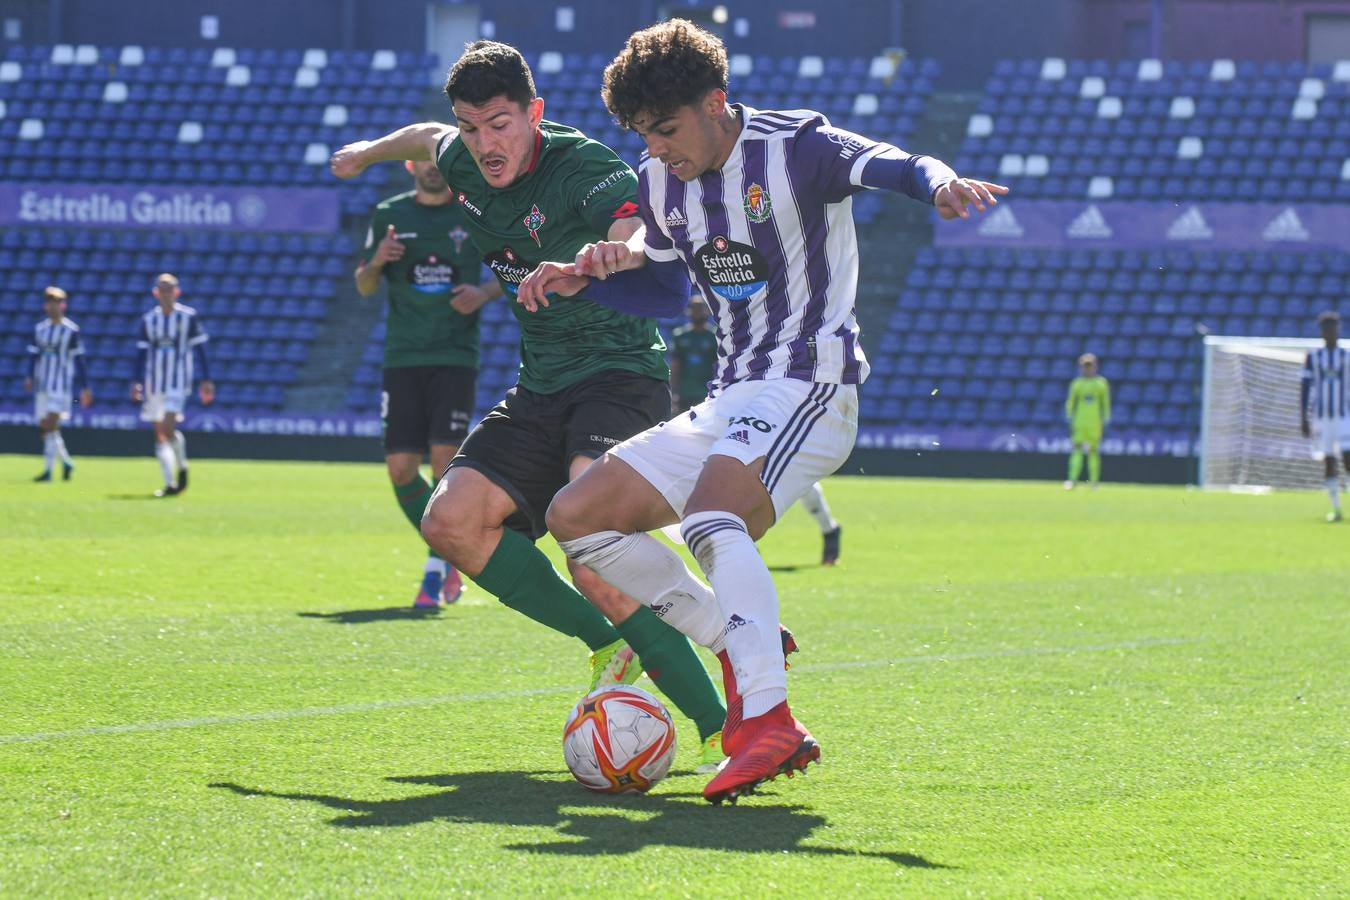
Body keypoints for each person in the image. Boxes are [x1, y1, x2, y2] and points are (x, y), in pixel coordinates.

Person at [524, 19, 1006, 803]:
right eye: (644, 135)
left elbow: (897, 162)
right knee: (580, 518)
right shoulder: (659, 182)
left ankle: (769, 720)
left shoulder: (797, 147)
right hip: (734, 392)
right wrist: (590, 274)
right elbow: (662, 282)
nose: (657, 150)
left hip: (810, 383)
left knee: (715, 522)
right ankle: (733, 635)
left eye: (668, 130)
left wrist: (942, 182)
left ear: (717, 102)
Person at [330, 40, 729, 770]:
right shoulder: (458, 156)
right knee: (450, 521)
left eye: (502, 124)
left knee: (590, 544)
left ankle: (721, 725)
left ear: (534, 113)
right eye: (473, 126)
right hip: (541, 385)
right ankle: (610, 642)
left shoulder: (583, 167)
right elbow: (424, 137)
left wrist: (619, 250)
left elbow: (631, 220)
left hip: (619, 374)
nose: (486, 144)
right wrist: (367, 152)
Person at [356, 159, 503, 607]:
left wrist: (482, 293)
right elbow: (364, 285)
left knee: (443, 466)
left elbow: (514, 265)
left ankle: (436, 570)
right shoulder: (389, 213)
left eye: (440, 161)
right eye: (424, 161)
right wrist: (378, 260)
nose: (433, 168)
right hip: (403, 355)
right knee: (401, 469)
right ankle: (452, 549)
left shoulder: (471, 211)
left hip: (454, 356)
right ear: (410, 164)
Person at [671, 296, 842, 564]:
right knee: (718, 471)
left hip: (753, 404)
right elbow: (679, 368)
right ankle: (738, 541)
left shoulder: (733, 337)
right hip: (712, 407)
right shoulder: (688, 337)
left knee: (784, 473)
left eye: (700, 309)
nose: (697, 313)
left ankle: (828, 528)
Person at [131, 273, 214, 498]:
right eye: (162, 288)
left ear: (177, 292)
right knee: (160, 435)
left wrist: (206, 379)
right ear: (155, 293)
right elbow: (141, 353)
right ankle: (170, 483)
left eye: (170, 288)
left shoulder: (188, 317)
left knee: (167, 429)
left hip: (178, 382)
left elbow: (200, 349)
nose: (166, 293)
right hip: (153, 383)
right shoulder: (149, 320)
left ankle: (183, 467)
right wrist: (137, 381)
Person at [25, 286, 92, 481]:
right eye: (49, 303)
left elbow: (80, 360)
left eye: (56, 303)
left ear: (63, 305)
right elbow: (33, 356)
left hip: (60, 387)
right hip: (42, 386)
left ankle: (47, 471)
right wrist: (29, 376)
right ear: (45, 306)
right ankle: (67, 462)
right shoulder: (40, 329)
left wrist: (85, 387)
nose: (53, 307)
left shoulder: (71, 331)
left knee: (51, 426)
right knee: (46, 429)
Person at [1300, 311, 1349, 522]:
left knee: (1348, 457)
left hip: (1345, 415)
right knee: (1329, 460)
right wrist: (1303, 416)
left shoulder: (1347, 355)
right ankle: (1336, 509)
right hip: (1323, 417)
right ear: (1321, 331)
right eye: (1326, 328)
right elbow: (1305, 387)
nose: (1330, 332)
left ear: (1339, 330)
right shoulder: (1313, 357)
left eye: (1334, 327)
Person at [1063, 353, 1111, 490]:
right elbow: (1071, 403)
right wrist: (1070, 417)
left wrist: (1105, 419)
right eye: (1085, 367)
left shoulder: (1101, 383)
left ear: (1095, 367)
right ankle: (1072, 480)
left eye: (1090, 366)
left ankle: (1094, 482)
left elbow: (1105, 403)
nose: (1087, 369)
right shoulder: (1077, 383)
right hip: (1079, 422)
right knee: (1077, 450)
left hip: (1095, 423)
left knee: (1093, 452)